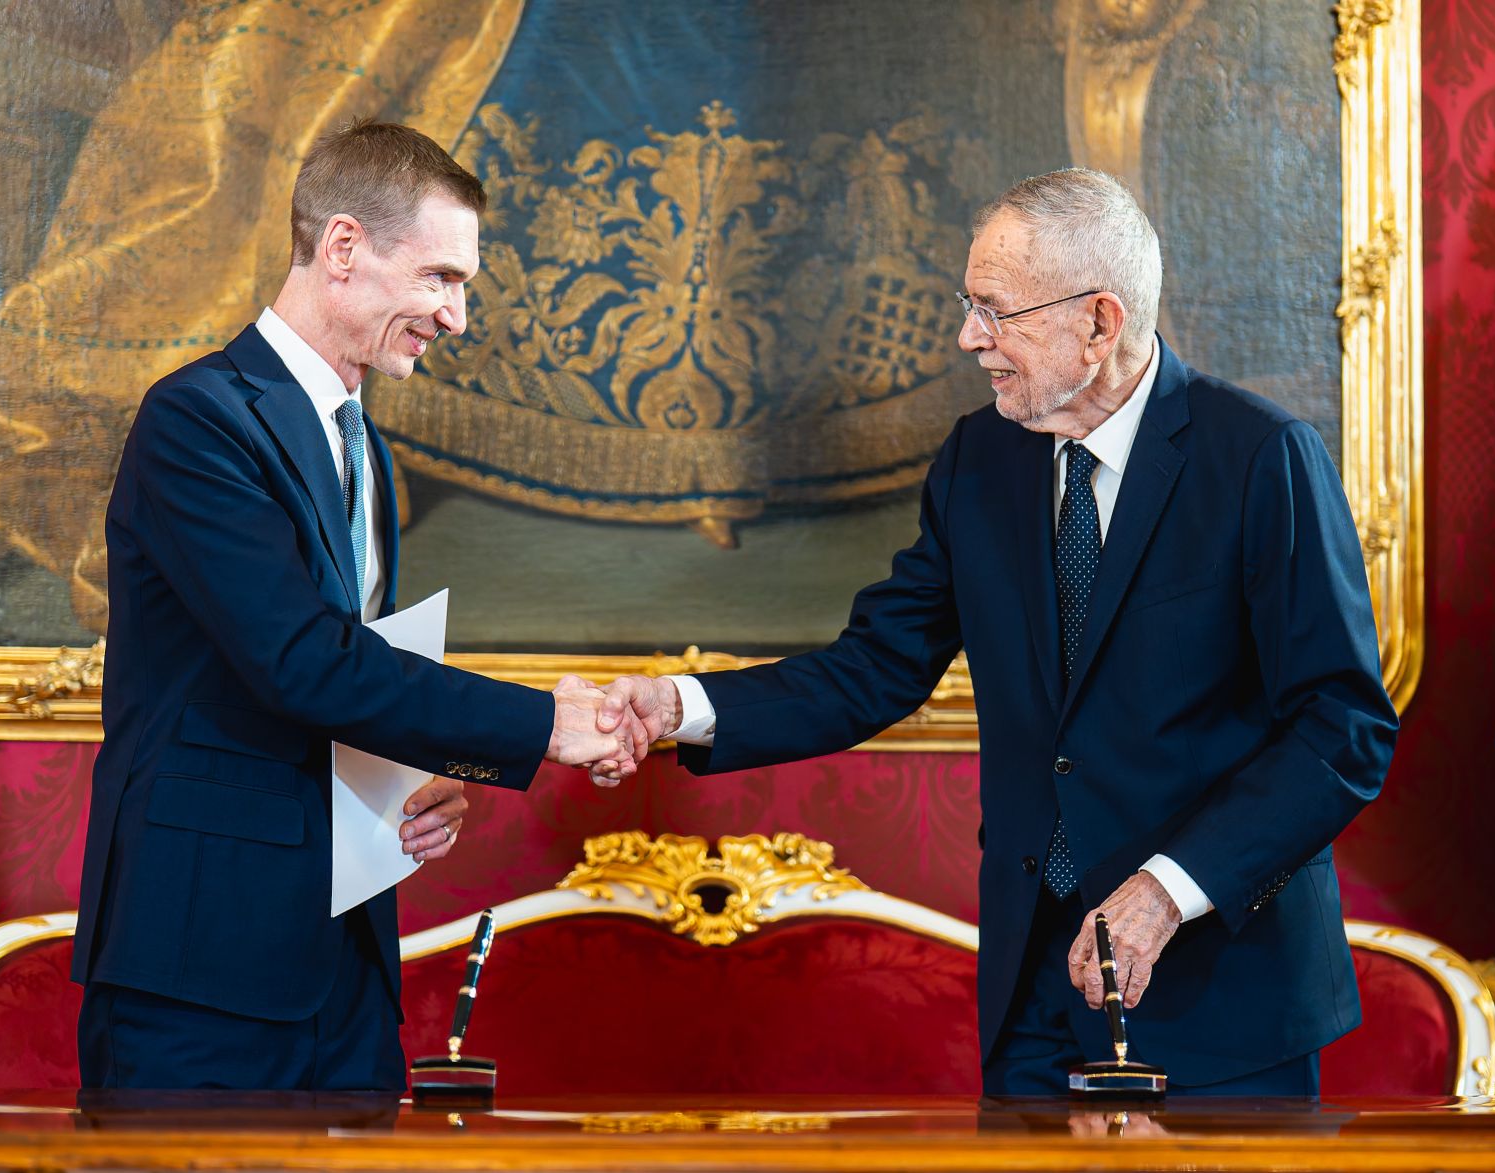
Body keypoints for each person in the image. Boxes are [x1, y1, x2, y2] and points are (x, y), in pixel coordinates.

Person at [594, 168, 1397, 1096]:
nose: (969, 337)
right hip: (1033, 998)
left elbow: (1342, 731)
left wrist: (1166, 889)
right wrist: (676, 707)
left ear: (1099, 323)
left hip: (1224, 996)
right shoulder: (978, 459)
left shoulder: (1260, 456)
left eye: (995, 311)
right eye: (968, 305)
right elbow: (875, 667)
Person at [71, 118, 638, 1091]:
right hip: (200, 968)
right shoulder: (196, 420)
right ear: (342, 247)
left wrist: (413, 775)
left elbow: (350, 672)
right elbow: (302, 661)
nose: (456, 316)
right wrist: (545, 723)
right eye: (440, 278)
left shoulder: (362, 444)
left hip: (347, 967)